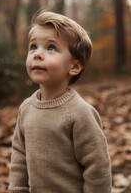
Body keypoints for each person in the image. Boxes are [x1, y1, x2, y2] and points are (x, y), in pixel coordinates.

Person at [8, 10, 112, 193]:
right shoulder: (26, 109)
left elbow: (98, 168)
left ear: (75, 66)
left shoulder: (80, 113)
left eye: (51, 48)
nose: (37, 54)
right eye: (33, 46)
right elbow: (19, 159)